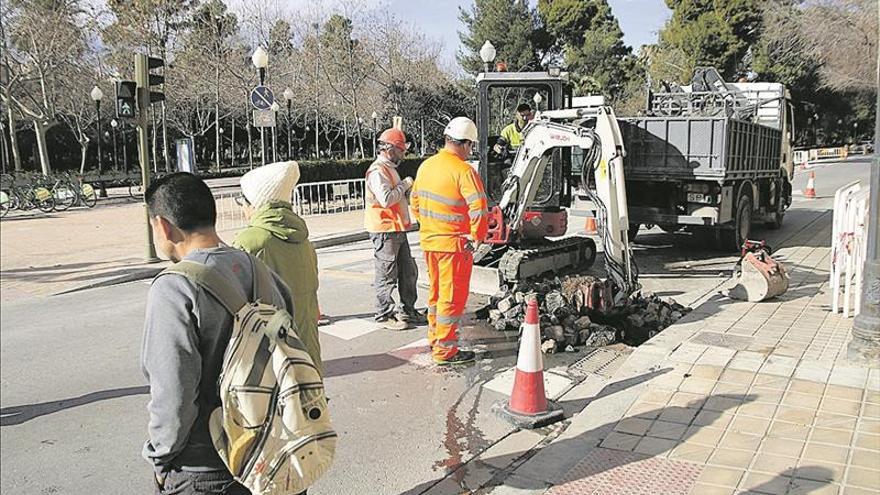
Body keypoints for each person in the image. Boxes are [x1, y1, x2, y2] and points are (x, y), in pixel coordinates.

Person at [141, 172, 294, 494]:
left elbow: (173, 395)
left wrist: (160, 460)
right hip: (272, 455)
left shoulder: (174, 288)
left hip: (208, 469)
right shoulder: (262, 273)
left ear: (163, 226)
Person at [410, 117, 489, 366]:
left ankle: (436, 338)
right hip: (453, 246)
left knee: (435, 294)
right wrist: (476, 237)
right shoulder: (464, 171)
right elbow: (479, 208)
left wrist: (431, 227)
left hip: (430, 242)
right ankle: (445, 351)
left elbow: (415, 202)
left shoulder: (426, 166)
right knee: (451, 298)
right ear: (466, 144)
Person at [233, 160, 323, 376]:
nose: (243, 208)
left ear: (255, 203)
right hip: (308, 351)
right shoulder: (304, 240)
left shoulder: (251, 241)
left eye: (242, 201)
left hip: (272, 362)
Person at [364, 128, 425, 330]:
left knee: (408, 271)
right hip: (384, 230)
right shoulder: (377, 171)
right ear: (389, 149)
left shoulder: (388, 168)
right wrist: (405, 185)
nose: (403, 154)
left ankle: (408, 310)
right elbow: (386, 199)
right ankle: (384, 314)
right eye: (401, 149)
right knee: (386, 273)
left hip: (396, 229)